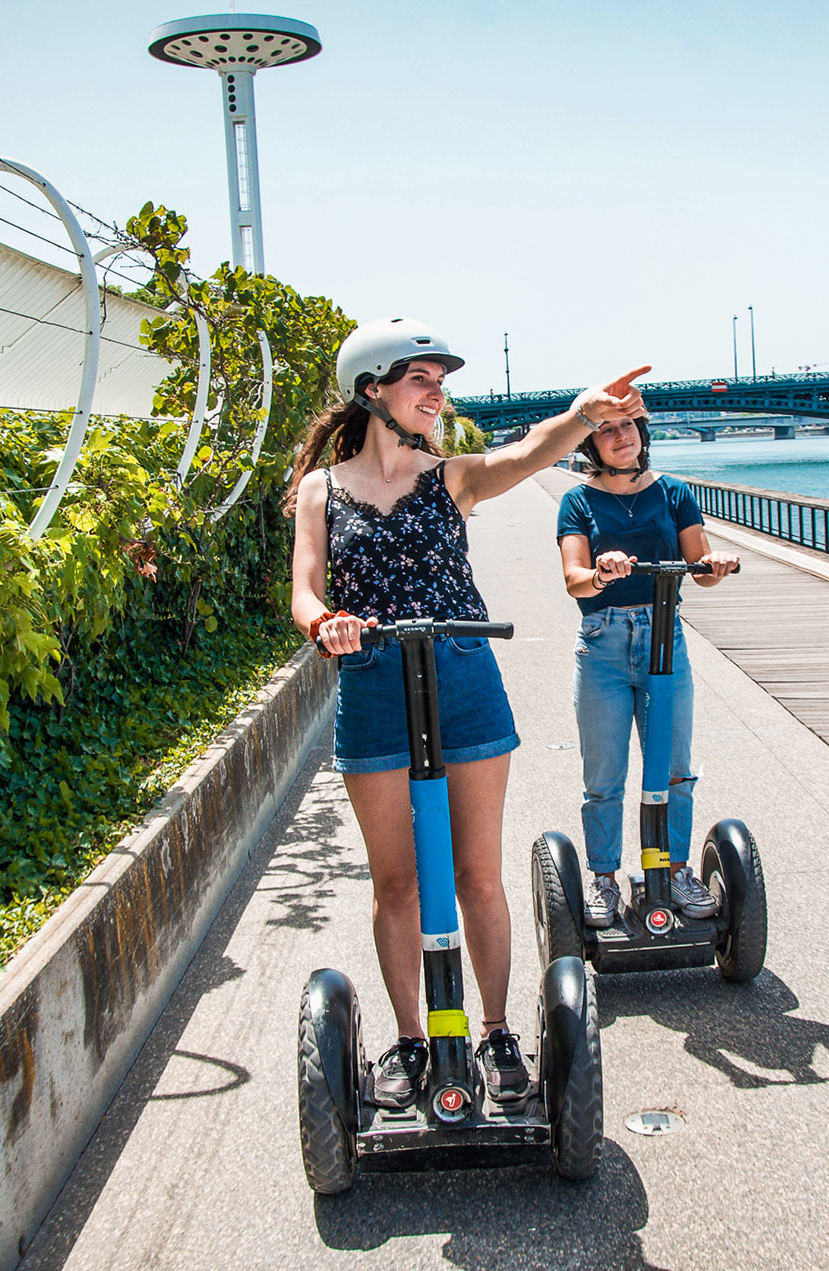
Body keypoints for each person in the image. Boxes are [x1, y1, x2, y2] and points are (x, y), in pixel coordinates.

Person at [286, 317, 648, 1111]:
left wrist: (584, 414)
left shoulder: (452, 476)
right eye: (421, 379)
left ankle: (494, 1030)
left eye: (440, 382)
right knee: (397, 883)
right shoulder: (322, 490)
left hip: (463, 671)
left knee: (478, 873)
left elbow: (529, 454)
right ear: (372, 389)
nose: (437, 394)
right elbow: (305, 590)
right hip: (373, 680)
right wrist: (326, 624)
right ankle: (411, 1038)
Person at [554, 414, 739, 930]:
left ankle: (673, 871)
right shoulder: (578, 501)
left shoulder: (674, 492)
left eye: (629, 426)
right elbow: (574, 579)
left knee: (674, 768)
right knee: (604, 775)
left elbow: (699, 568)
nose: (621, 436)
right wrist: (601, 573)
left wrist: (716, 565)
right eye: (607, 429)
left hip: (664, 635)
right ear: (591, 443)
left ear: (642, 433)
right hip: (603, 643)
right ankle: (604, 878)